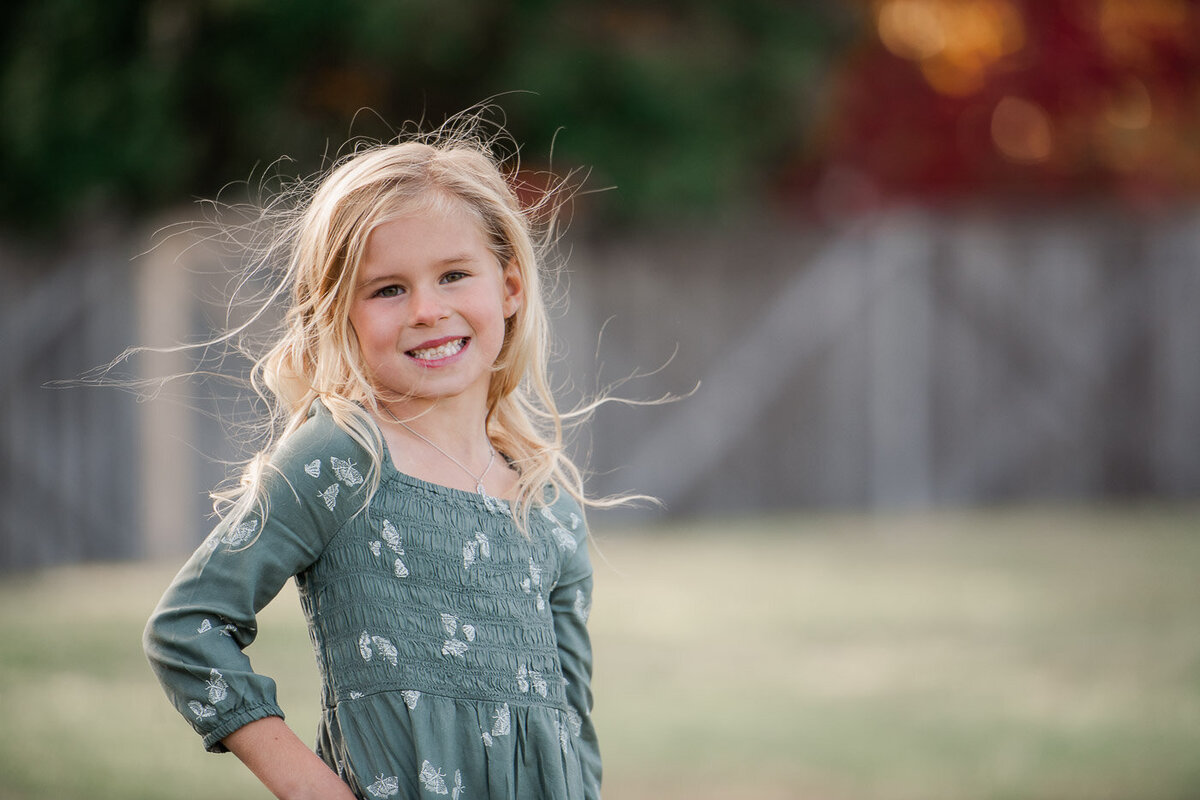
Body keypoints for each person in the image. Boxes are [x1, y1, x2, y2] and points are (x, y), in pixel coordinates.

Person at [143, 118, 608, 799]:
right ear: (340, 314)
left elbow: (575, 731)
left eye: (454, 275)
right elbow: (187, 631)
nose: (426, 309)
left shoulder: (549, 503)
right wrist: (312, 789)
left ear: (508, 288)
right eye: (388, 289)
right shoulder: (342, 460)